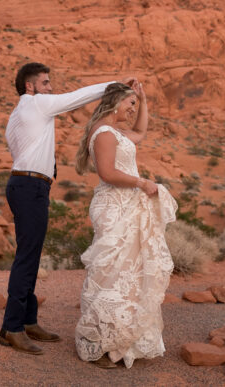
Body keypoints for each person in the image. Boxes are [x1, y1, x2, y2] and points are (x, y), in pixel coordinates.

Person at [0, 62, 135, 355]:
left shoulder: (17, 115)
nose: (50, 88)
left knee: (30, 254)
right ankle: (12, 328)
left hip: (26, 185)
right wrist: (114, 85)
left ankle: (27, 320)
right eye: (45, 83)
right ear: (30, 87)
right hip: (29, 187)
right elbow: (77, 96)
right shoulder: (37, 104)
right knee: (26, 257)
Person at [75, 81, 177, 369]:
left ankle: (121, 340)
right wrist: (142, 183)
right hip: (114, 206)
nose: (132, 110)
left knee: (128, 272)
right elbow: (108, 173)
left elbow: (142, 132)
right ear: (116, 102)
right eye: (130, 104)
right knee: (111, 271)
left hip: (127, 204)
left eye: (134, 106)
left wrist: (143, 100)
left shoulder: (117, 132)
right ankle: (102, 341)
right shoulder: (104, 133)